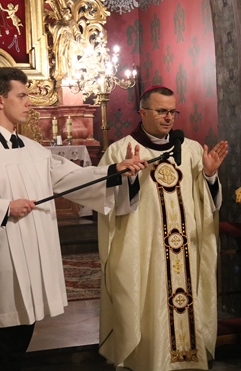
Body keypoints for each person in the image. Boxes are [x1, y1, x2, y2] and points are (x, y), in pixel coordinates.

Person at [0, 67, 146, 371]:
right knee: (3, 339)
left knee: (22, 333)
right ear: (0, 100)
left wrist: (115, 170)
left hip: (34, 255)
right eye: (22, 95)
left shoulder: (33, 148)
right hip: (0, 256)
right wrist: (4, 208)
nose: (30, 102)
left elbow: (72, 177)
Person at [97, 85, 228, 371]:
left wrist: (209, 175)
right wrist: (129, 178)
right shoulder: (120, 150)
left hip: (186, 250)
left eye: (172, 112)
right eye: (161, 111)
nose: (169, 118)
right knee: (146, 303)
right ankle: (148, 360)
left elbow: (207, 203)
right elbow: (107, 206)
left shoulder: (191, 149)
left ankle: (187, 362)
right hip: (144, 251)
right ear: (142, 112)